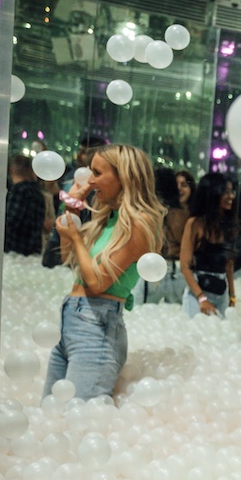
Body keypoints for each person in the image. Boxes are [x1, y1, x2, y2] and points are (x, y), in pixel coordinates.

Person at [43, 144, 165, 400]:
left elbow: (97, 282)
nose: (91, 180)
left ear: (124, 177)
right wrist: (73, 210)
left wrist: (76, 238)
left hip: (96, 331)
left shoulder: (139, 223)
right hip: (72, 323)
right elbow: (68, 256)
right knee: (51, 413)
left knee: (78, 422)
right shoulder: (110, 218)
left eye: (98, 173)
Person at [179, 173, 238, 319]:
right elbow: (185, 266)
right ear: (213, 193)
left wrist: (232, 295)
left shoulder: (230, 225)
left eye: (232, 191)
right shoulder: (195, 224)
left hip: (221, 293)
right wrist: (202, 298)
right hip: (197, 294)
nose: (231, 196)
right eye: (226, 192)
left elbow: (229, 265)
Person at [4, 156, 44, 256]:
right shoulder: (38, 193)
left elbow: (10, 222)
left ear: (11, 170)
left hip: (15, 252)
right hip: (33, 252)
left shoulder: (18, 191)